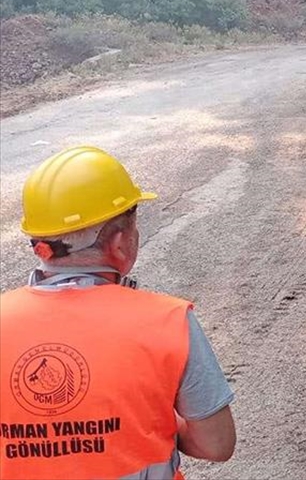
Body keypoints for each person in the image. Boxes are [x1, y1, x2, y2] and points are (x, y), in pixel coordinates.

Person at [0, 146, 236, 479]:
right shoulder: (168, 322)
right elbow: (216, 444)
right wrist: (143, 423)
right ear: (121, 242)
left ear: (41, 245)